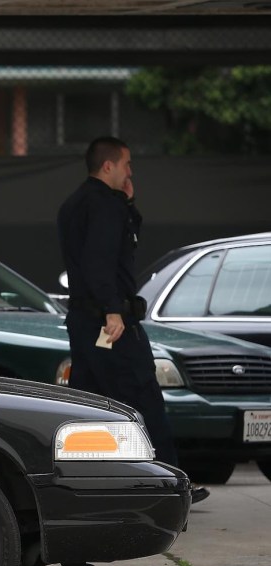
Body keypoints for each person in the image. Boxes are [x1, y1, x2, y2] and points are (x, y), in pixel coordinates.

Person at [57, 136, 209, 504]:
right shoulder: (105, 206)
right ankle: (169, 485)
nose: (130, 171)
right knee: (142, 397)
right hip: (112, 323)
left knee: (89, 401)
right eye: (126, 164)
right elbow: (102, 260)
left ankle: (81, 484)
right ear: (108, 166)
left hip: (84, 321)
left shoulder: (74, 204)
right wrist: (113, 309)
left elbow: (96, 256)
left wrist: (127, 202)